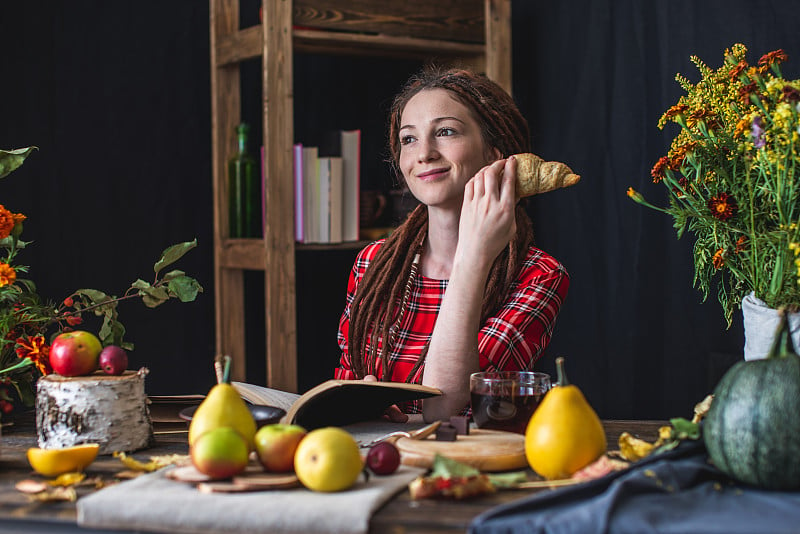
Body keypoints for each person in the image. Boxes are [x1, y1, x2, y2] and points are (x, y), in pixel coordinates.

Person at [334, 67, 569, 423]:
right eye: (409, 139)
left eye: (445, 132)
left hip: (472, 470)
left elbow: (443, 408)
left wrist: (473, 256)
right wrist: (363, 403)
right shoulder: (374, 262)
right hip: (376, 466)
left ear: (494, 154)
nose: (424, 153)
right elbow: (346, 383)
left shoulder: (538, 275)